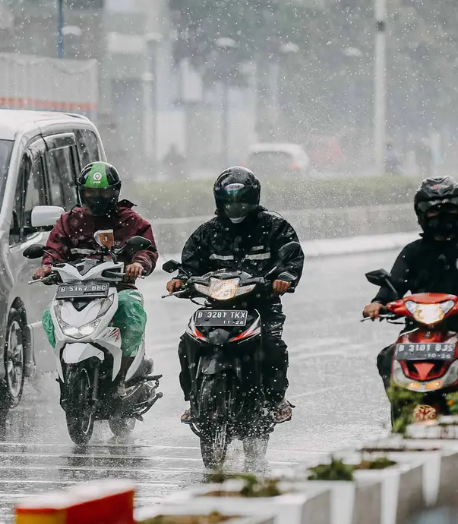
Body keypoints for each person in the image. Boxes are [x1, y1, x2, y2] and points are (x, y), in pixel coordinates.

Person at [166, 167, 305, 424]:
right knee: (187, 344)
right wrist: (180, 278)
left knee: (272, 346)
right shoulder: (207, 232)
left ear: (254, 199)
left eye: (241, 202)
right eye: (229, 203)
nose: (235, 208)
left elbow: (291, 257)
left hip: (261, 304)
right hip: (216, 307)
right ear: (220, 202)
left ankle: (275, 399)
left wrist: (284, 279)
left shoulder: (274, 227)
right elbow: (190, 264)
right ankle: (194, 400)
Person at [34, 161, 158, 393]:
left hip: (118, 288)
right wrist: (47, 266)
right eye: (91, 192)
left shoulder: (130, 220)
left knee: (131, 311)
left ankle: (126, 374)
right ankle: (66, 368)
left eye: (103, 192)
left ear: (115, 192)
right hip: (75, 290)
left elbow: (147, 249)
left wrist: (138, 264)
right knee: (49, 318)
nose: (96, 197)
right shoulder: (69, 221)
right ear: (82, 192)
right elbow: (54, 249)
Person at [364, 176, 458, 389]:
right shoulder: (413, 252)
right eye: (434, 210)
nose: (441, 216)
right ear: (421, 214)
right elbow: (395, 284)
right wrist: (378, 303)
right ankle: (402, 413)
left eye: (449, 209)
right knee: (388, 358)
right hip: (419, 328)